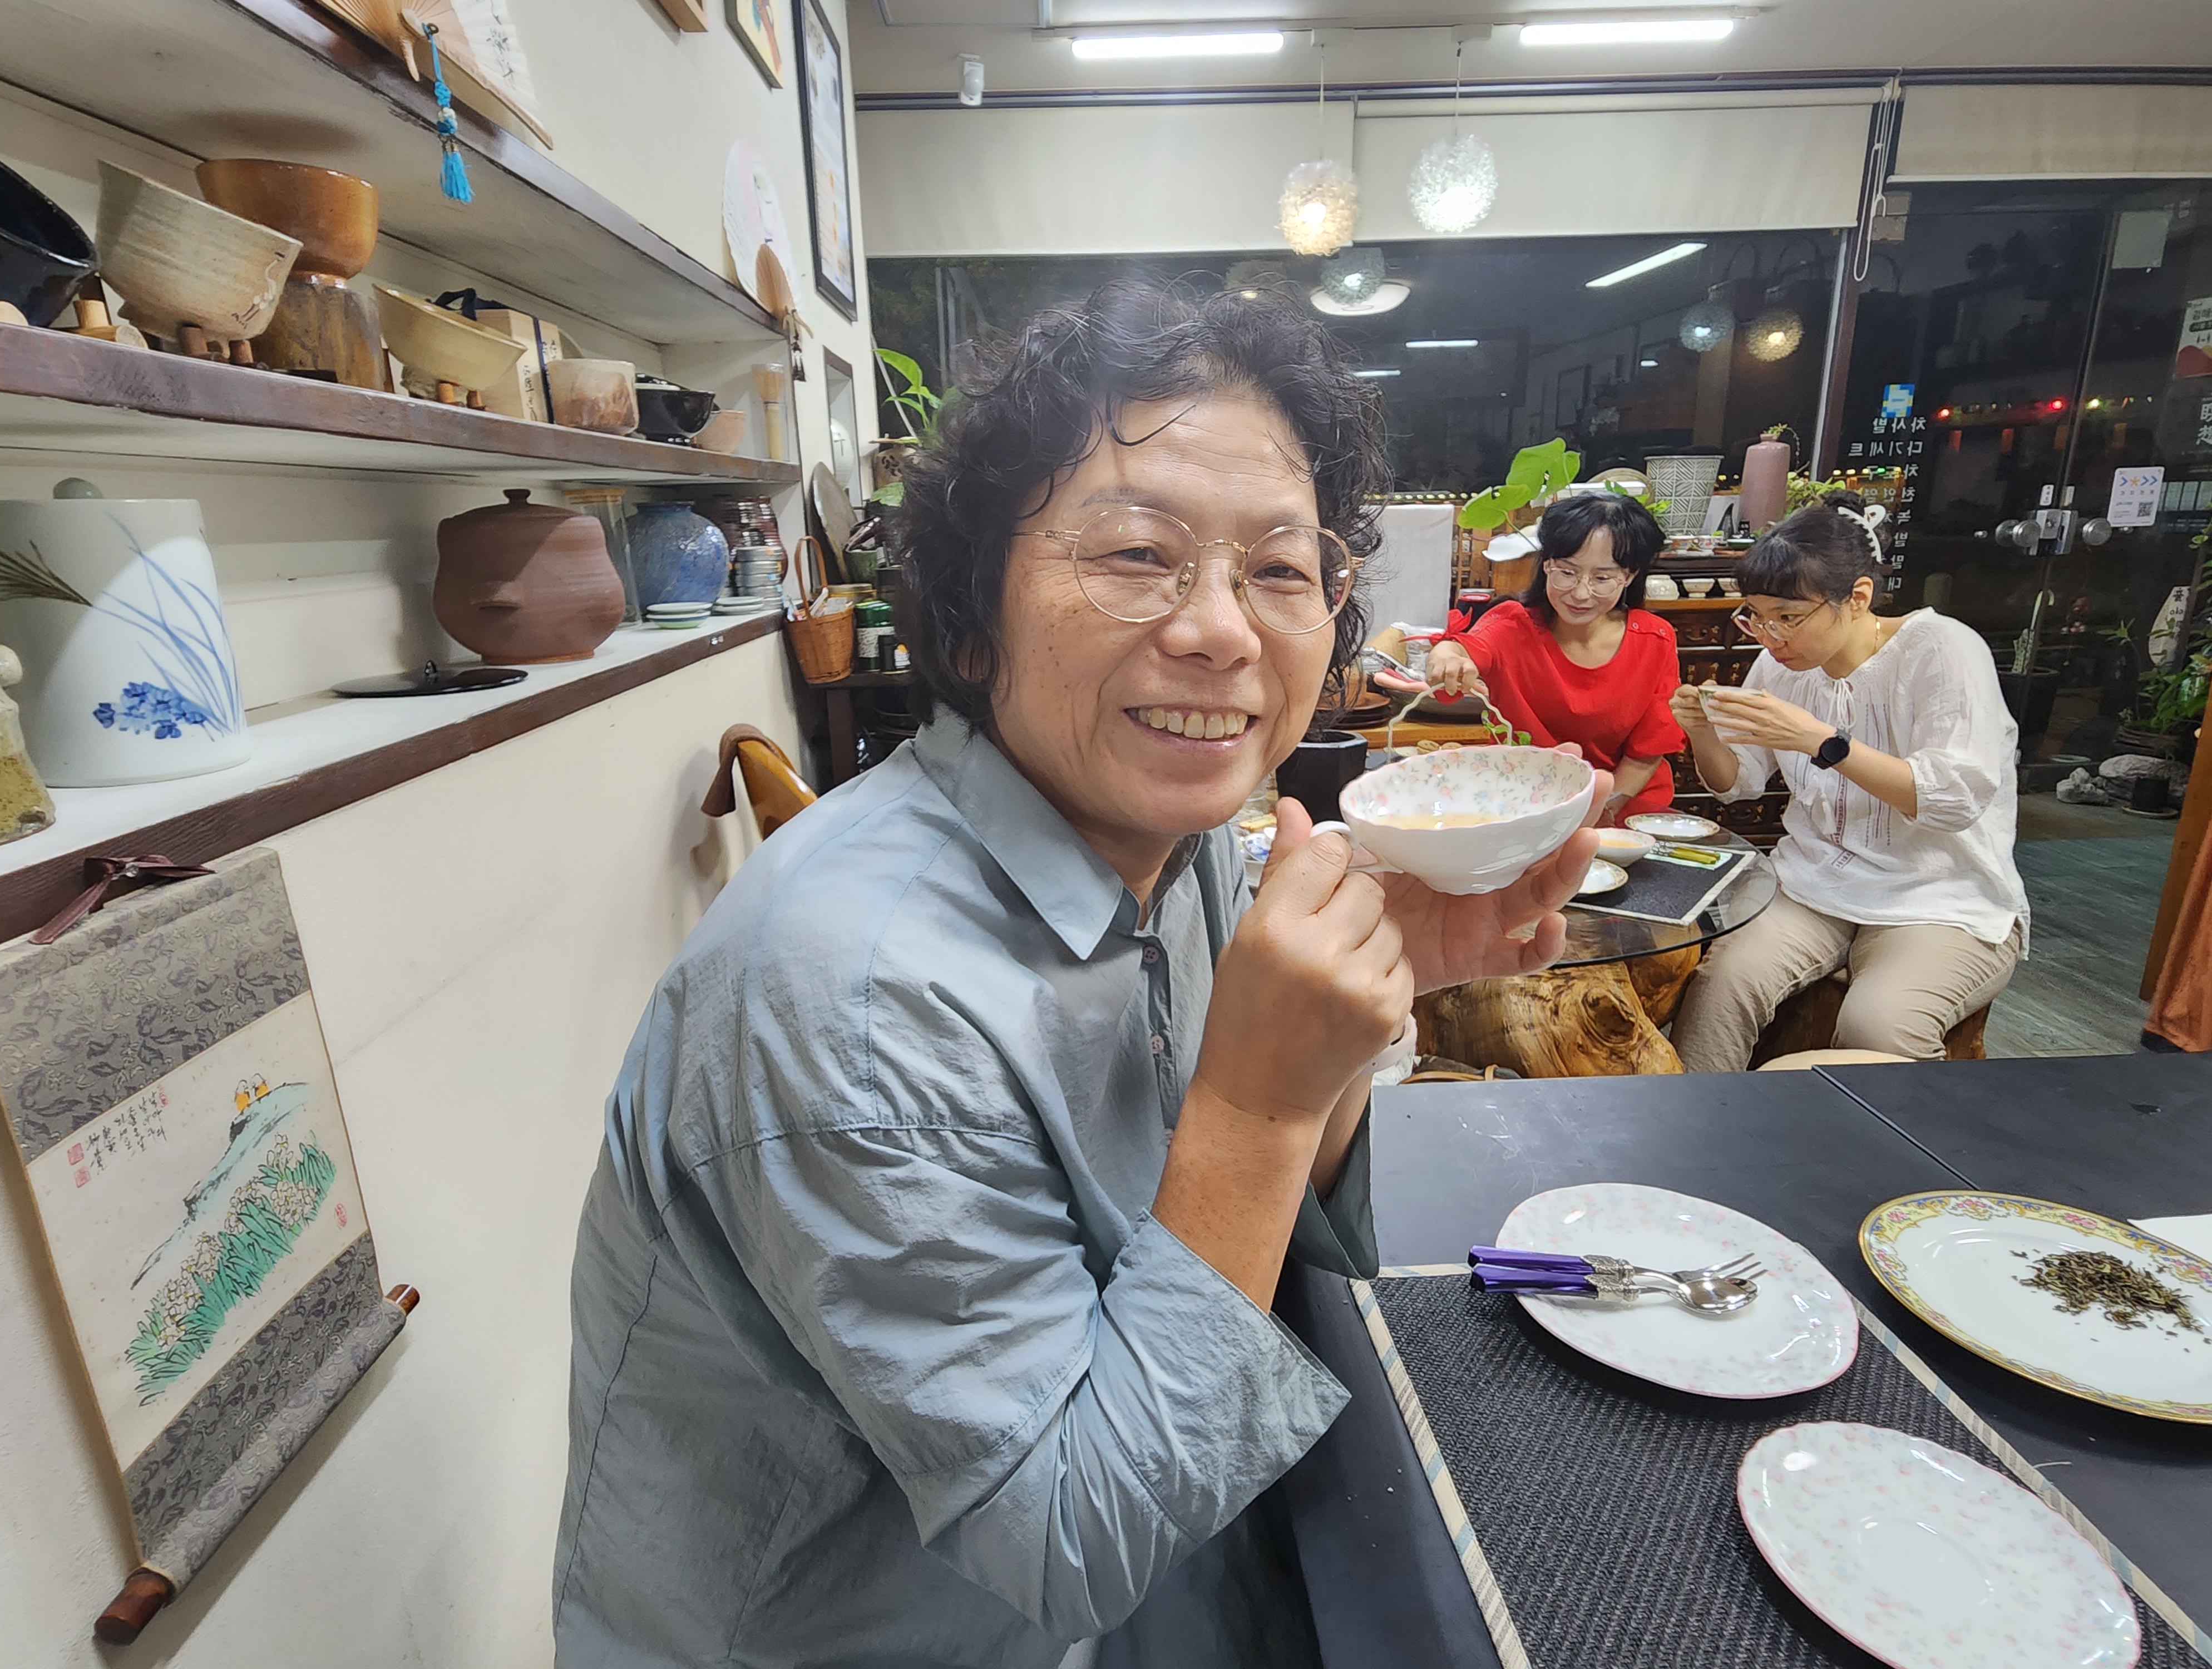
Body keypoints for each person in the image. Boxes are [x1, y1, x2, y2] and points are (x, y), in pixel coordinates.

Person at [552, 283, 1604, 1669]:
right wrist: (1258, 1106)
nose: (1221, 629)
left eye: (1280, 570)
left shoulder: (1188, 844)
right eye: (1136, 553)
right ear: (970, 618)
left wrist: (1362, 1010)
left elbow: (1259, 1244)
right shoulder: (849, 1002)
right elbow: (1070, 1540)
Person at [1668, 491, 2029, 1070]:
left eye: (1788, 617)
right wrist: (1702, 732)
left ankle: (1898, 1131)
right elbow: (1739, 783)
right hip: (1815, 884)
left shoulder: (1942, 648)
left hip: (1938, 896)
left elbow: (1953, 798)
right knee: (1719, 987)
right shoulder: (1780, 665)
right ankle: (1695, 1120)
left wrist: (1821, 741)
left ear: (1857, 598)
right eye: (1755, 615)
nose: (1770, 635)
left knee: (1878, 1025)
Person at [1424, 493, 1686, 823]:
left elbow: (1648, 751)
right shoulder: (1513, 626)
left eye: (1602, 578)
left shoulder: (1654, 639)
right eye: (1567, 572)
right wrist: (1446, 655)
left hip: (1624, 811)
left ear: (1629, 576)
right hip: (1527, 810)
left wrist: (1598, 812)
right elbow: (1462, 649)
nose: (1580, 593)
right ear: (1547, 564)